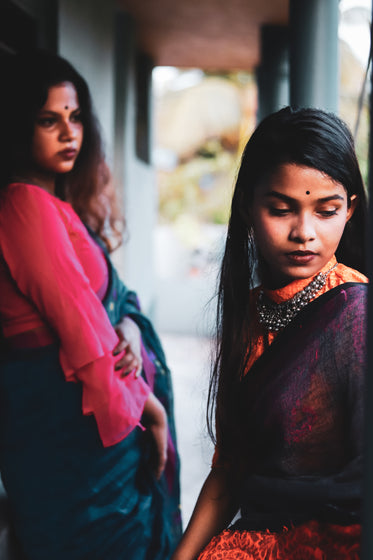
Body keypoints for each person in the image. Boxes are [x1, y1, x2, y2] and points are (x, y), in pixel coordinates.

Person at [0, 50, 181, 559]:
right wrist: (154, 411)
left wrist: (127, 322)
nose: (68, 133)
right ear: (19, 127)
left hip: (86, 428)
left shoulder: (58, 208)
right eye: (48, 120)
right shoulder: (25, 204)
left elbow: (107, 305)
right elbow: (84, 331)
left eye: (75, 117)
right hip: (75, 444)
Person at [171, 106, 368, 560]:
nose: (305, 233)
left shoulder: (355, 316)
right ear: (247, 207)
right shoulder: (256, 313)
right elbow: (229, 472)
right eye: (281, 209)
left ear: (350, 210)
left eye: (327, 211)